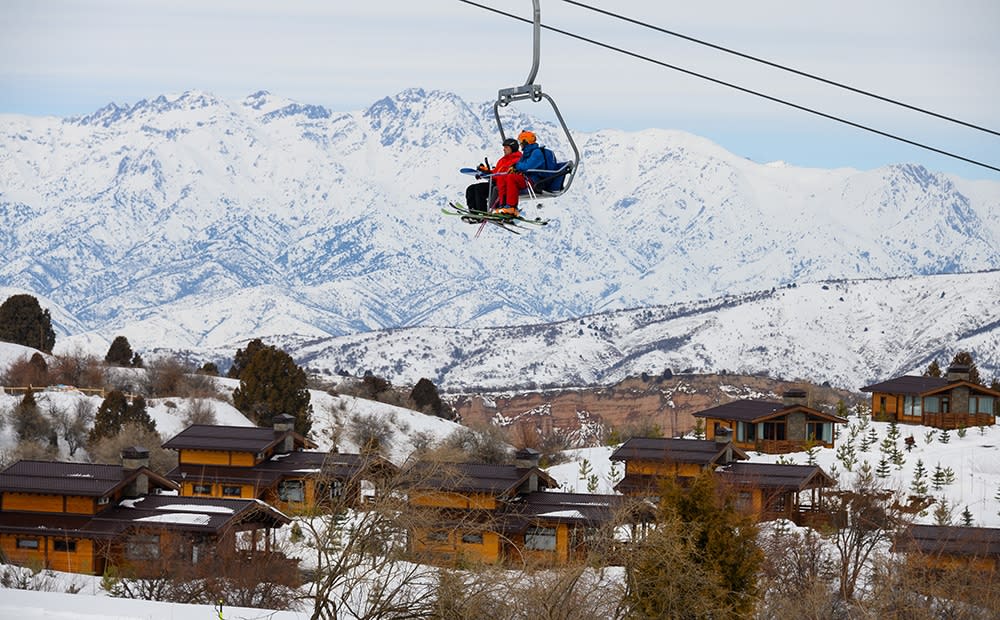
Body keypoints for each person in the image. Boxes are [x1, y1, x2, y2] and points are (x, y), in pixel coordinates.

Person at [464, 137, 522, 215]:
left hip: (503, 186)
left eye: (506, 147)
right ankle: (473, 212)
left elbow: (507, 174)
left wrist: (491, 175)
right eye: (504, 147)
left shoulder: (518, 160)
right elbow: (495, 172)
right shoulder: (502, 160)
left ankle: (482, 212)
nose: (504, 149)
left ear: (513, 148)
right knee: (471, 189)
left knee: (479, 189)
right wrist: (484, 172)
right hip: (496, 183)